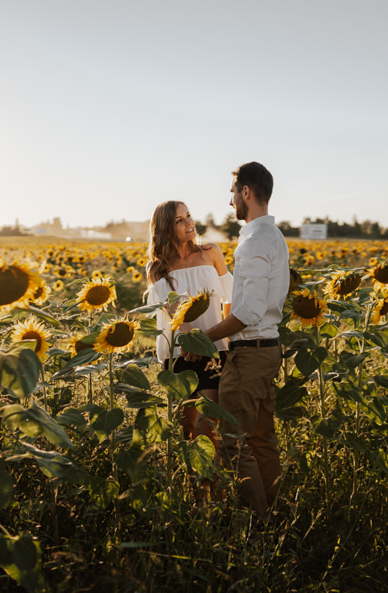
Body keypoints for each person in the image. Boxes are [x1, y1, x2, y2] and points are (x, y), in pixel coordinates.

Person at [185, 161, 289, 518]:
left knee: (233, 444)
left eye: (233, 193)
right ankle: (277, 516)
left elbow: (247, 314)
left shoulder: (253, 244)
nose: (231, 202)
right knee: (261, 440)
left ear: (246, 192)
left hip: (249, 355)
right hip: (268, 350)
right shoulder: (273, 237)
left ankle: (256, 528)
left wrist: (202, 339)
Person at [145, 200, 232, 451]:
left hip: (214, 349)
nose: (189, 222)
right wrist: (191, 340)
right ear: (164, 229)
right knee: (186, 429)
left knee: (208, 427)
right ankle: (196, 489)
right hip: (178, 352)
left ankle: (215, 487)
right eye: (179, 220)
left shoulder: (211, 252)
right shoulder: (157, 267)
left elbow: (229, 298)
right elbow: (172, 311)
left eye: (189, 216)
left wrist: (230, 340)